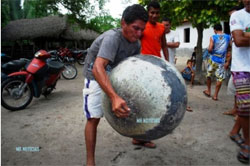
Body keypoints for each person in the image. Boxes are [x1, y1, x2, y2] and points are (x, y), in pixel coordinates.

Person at [82, 5, 148, 166]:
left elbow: (132, 67)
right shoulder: (112, 38)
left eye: (142, 30)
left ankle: (137, 137)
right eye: (135, 28)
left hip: (115, 75)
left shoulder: (136, 43)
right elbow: (99, 68)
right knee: (94, 118)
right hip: (95, 76)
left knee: (134, 104)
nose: (139, 34)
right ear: (123, 23)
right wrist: (113, 97)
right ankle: (90, 161)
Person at [229, 0, 250, 163]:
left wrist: (247, 34)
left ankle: (235, 131)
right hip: (242, 68)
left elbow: (244, 38)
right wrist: (243, 36)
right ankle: (248, 145)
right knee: (246, 108)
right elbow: (239, 40)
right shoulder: (238, 15)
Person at [203, 23, 231, 101]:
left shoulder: (213, 37)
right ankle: (215, 95)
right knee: (219, 78)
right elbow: (230, 49)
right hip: (222, 61)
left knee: (209, 75)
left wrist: (210, 51)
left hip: (212, 60)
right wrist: (227, 61)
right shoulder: (228, 37)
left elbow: (210, 48)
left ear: (215, 30)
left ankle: (208, 91)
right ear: (221, 29)